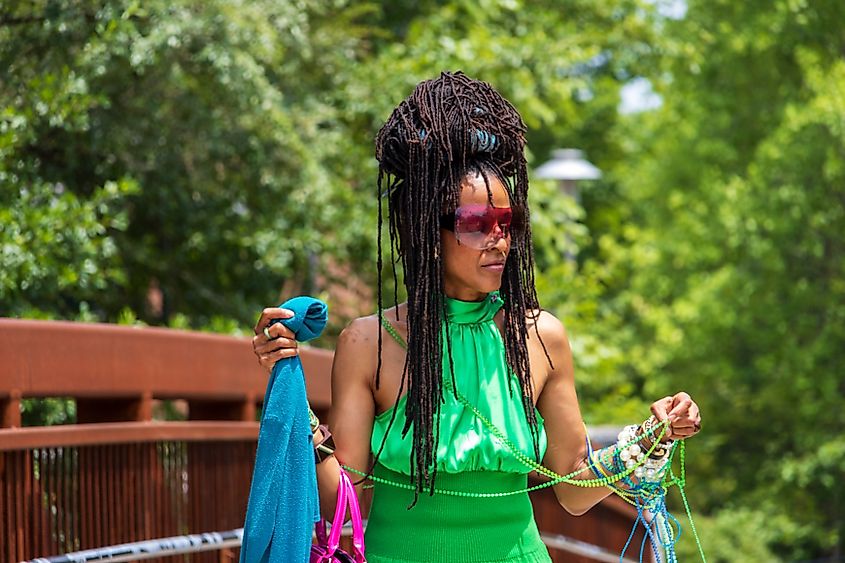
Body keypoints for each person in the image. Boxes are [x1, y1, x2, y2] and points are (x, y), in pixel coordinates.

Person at [251, 71, 701, 562]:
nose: (498, 239)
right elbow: (348, 500)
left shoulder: (541, 337)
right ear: (427, 231)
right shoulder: (369, 342)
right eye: (475, 224)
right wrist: (296, 409)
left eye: (507, 223)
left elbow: (572, 492)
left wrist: (647, 440)